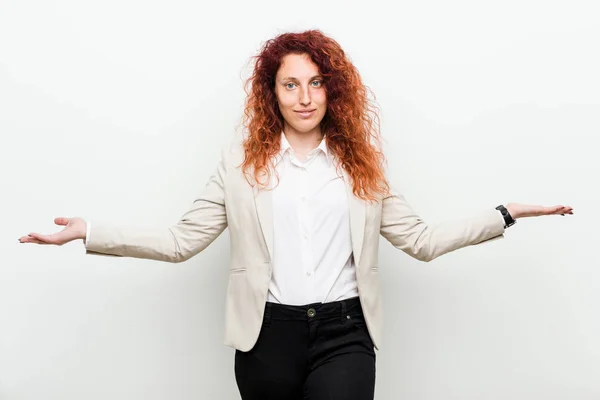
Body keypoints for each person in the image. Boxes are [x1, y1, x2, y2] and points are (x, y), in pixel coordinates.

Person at [19, 30, 573, 400]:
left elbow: (421, 240)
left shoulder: (362, 168)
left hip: (345, 331)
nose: (304, 97)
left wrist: (506, 213)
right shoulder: (240, 167)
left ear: (332, 91)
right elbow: (179, 240)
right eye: (291, 84)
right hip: (267, 336)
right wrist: (88, 231)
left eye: (315, 83)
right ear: (273, 93)